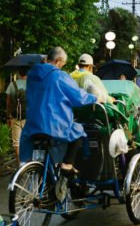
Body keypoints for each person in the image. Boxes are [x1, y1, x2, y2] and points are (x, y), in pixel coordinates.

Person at [19, 46, 96, 184]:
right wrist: (94, 98)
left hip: (32, 125)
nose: (61, 67)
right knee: (78, 133)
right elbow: (78, 97)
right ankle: (67, 165)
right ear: (59, 60)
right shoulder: (59, 76)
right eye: (62, 64)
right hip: (52, 125)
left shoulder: (32, 75)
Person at [5, 68, 27, 163]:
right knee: (27, 141)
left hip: (15, 117)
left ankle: (20, 163)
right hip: (29, 118)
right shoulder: (32, 85)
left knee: (16, 142)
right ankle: (27, 163)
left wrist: (8, 116)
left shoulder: (12, 85)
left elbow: (8, 103)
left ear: (19, 73)